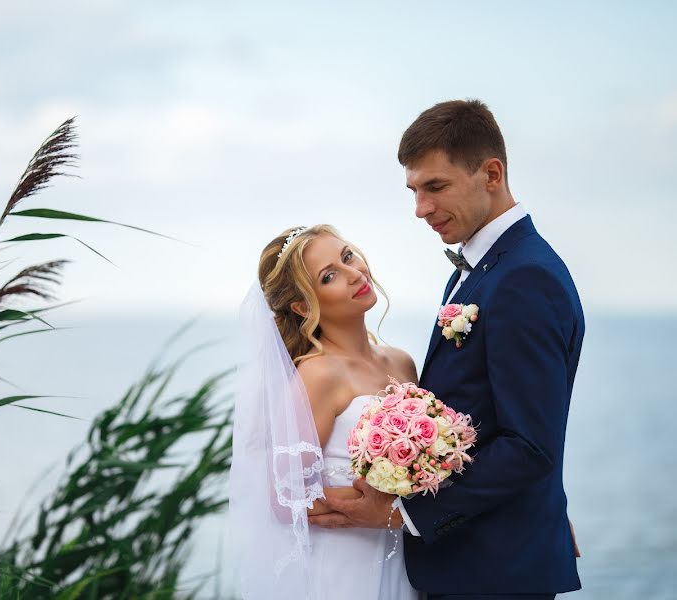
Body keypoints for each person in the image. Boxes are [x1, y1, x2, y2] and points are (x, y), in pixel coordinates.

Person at [309, 99, 584, 599]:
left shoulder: (524, 277)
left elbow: (530, 444)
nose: (421, 209)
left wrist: (404, 512)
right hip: (471, 561)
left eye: (436, 187)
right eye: (414, 190)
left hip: (493, 572)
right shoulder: (482, 268)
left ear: (492, 174)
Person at [230, 224, 420, 599]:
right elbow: (286, 497)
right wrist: (381, 504)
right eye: (329, 276)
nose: (354, 274)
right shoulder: (318, 374)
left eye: (347, 256)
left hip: (401, 557)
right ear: (302, 306)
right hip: (345, 564)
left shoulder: (402, 363)